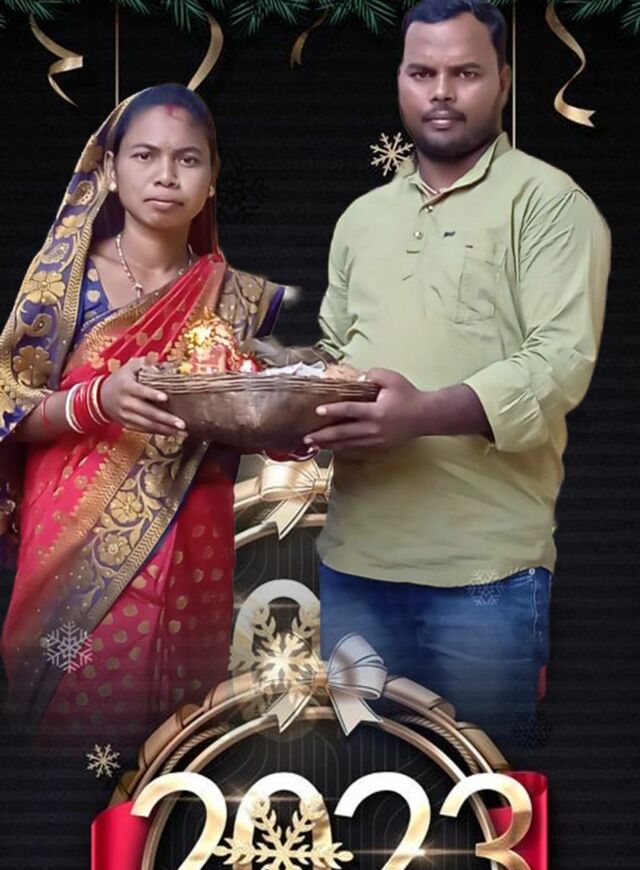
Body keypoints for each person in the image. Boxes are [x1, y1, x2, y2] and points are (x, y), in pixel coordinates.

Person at [307, 0, 611, 744]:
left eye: (465, 73)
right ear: (400, 82)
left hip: (485, 576)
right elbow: (333, 356)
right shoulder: (360, 220)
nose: (441, 91)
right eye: (422, 73)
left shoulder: (549, 204)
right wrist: (294, 413)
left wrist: (420, 414)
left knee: (481, 789)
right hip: (354, 566)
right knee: (356, 783)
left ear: (503, 81)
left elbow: (560, 363)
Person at [0, 83, 285, 745]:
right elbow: (9, 407)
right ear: (109, 168)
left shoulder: (237, 299)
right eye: (144, 155)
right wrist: (97, 400)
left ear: (211, 180)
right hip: (71, 552)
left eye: (188, 159)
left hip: (193, 547)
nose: (165, 175)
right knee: (77, 742)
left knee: (174, 746)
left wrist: (286, 425)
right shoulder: (64, 282)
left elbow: (248, 411)